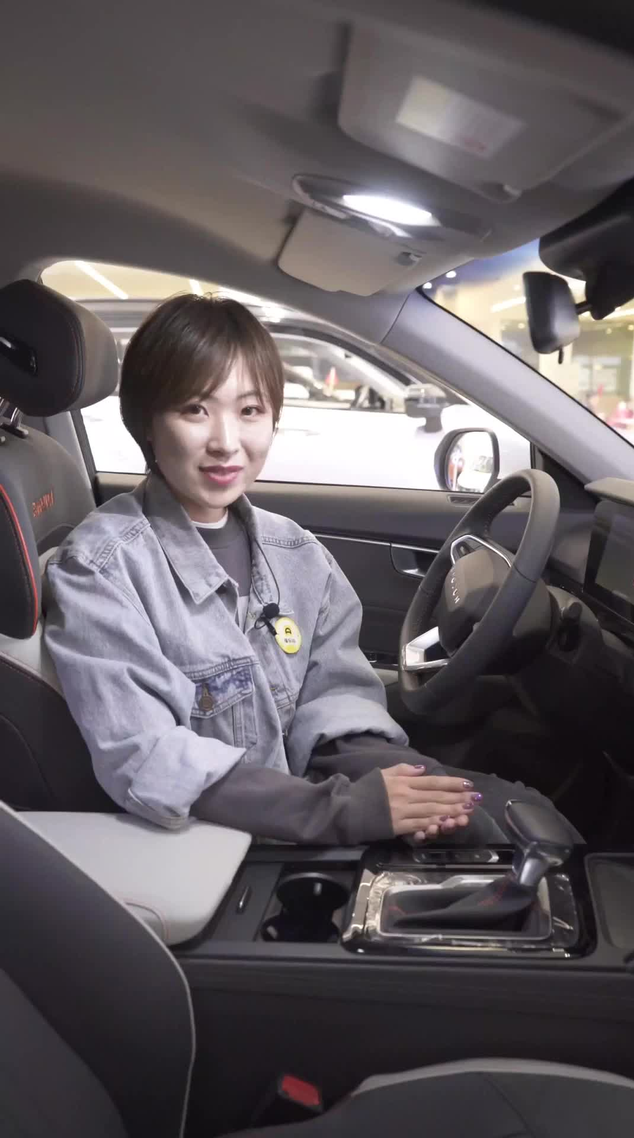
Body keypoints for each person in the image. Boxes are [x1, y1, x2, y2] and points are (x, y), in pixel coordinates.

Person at [44, 295, 574, 847]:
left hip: (309, 815)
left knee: (523, 818)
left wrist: (405, 786)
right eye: (195, 409)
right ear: (147, 422)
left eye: (250, 411)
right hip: (218, 847)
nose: (226, 442)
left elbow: (333, 697)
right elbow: (147, 756)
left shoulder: (297, 553)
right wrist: (340, 810)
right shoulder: (102, 570)